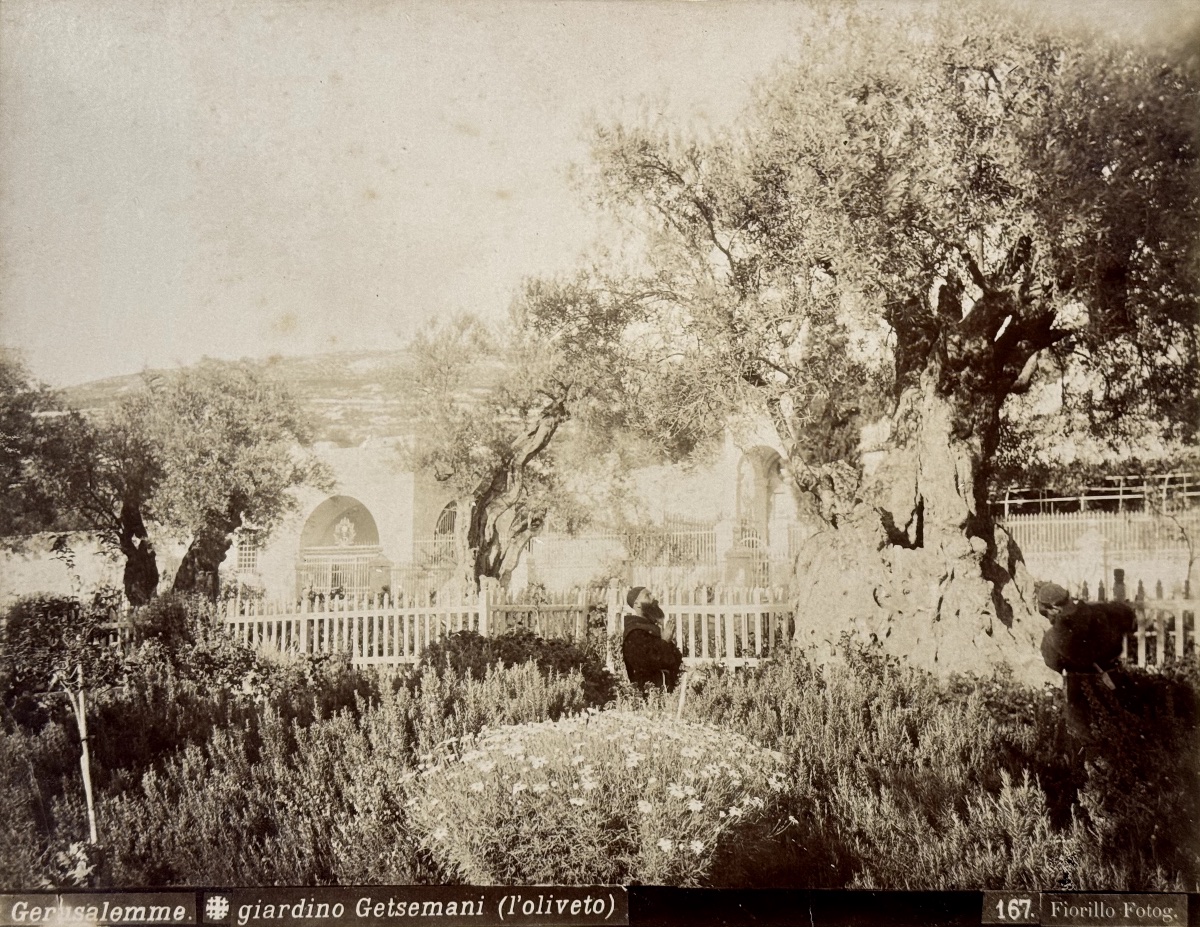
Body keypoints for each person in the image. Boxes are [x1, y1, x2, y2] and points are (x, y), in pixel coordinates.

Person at [1037, 581, 1137, 740]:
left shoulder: (1052, 637)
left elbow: (1053, 664)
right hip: (1118, 679)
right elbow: (1130, 618)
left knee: (1088, 740)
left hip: (1081, 690)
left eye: (1046, 613)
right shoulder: (1104, 610)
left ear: (1055, 609)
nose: (1048, 618)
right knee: (1126, 734)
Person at [621, 586, 683, 693]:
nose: (653, 597)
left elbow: (674, 660)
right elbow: (646, 664)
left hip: (663, 690)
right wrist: (664, 642)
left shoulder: (651, 628)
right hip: (648, 695)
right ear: (637, 604)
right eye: (647, 595)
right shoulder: (635, 632)